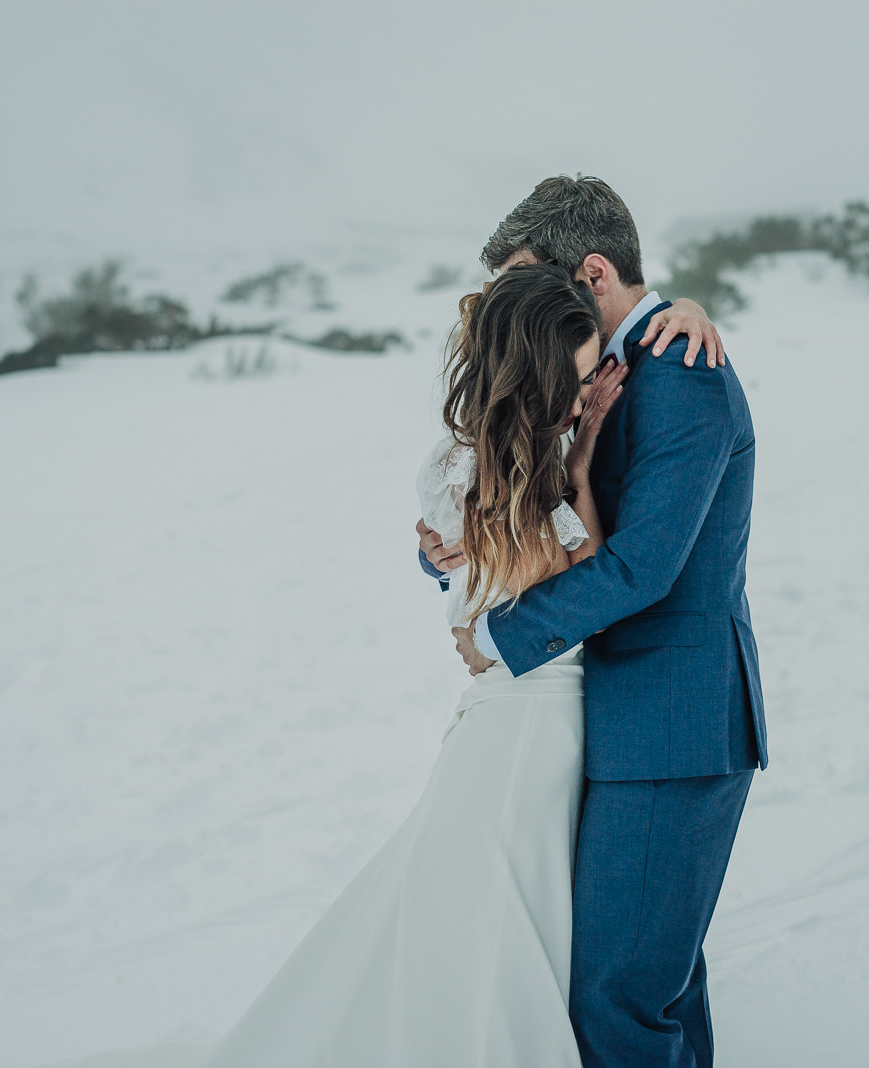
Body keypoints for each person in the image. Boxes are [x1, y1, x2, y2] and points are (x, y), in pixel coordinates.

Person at [193, 261, 723, 1066]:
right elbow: (565, 572)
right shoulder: (468, 462)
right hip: (524, 721)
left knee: (529, 916)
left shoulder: (539, 448)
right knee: (490, 917)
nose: (589, 394)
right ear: (540, 377)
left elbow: (573, 565)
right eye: (578, 379)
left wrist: (575, 469)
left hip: (562, 712)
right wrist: (513, 522)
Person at [420, 175, 767, 1067]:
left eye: (532, 280)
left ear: (595, 270)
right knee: (647, 986)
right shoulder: (577, 365)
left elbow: (644, 566)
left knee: (617, 999)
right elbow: (502, 492)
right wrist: (446, 547)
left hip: (671, 721)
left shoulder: (681, 370)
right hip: (607, 720)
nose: (517, 306)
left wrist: (498, 639)